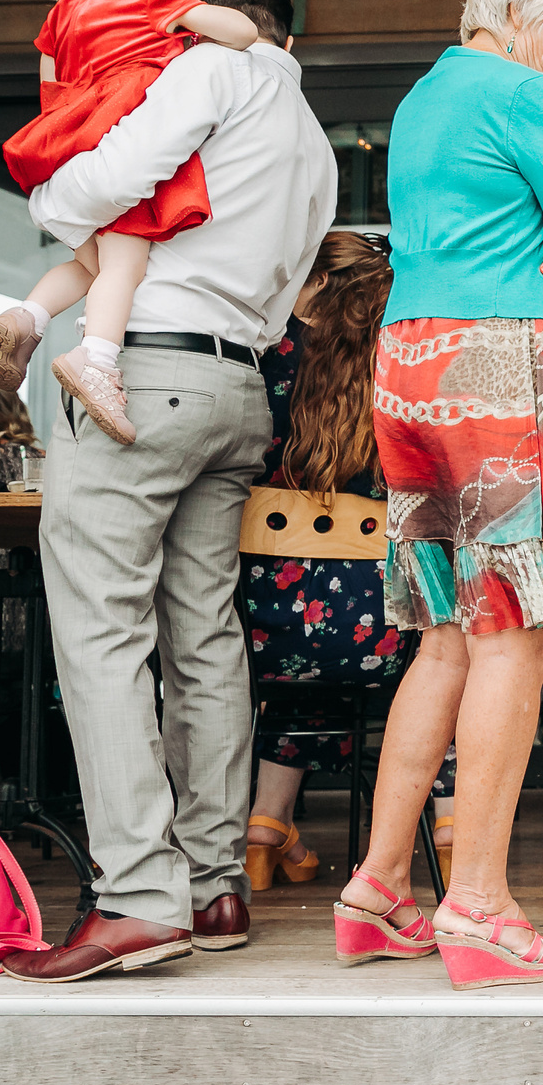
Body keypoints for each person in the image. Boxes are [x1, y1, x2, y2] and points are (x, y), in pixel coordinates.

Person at [0, 0, 336, 983]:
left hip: (146, 372)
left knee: (99, 630)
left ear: (223, 22)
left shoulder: (209, 69)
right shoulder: (314, 139)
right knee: (203, 635)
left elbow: (102, 186)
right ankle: (214, 880)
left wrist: (53, 198)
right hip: (237, 391)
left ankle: (140, 895)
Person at [338, 0, 543, 989]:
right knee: (515, 638)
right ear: (519, 10)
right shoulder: (523, 95)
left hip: (410, 362)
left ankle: (377, 887)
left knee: (448, 636)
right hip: (503, 368)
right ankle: (481, 906)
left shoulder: (426, 97)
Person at [0, 0, 264, 444]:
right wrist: (184, 10)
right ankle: (98, 360)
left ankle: (26, 319)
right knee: (123, 267)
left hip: (68, 140)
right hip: (119, 135)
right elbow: (242, 32)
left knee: (87, 263)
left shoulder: (66, 9)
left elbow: (51, 80)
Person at [236, 230, 411, 891]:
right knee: (442, 665)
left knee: (298, 681)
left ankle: (265, 825)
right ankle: (445, 831)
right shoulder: (392, 363)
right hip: (375, 632)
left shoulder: (262, 355)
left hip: (264, 623)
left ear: (310, 284)